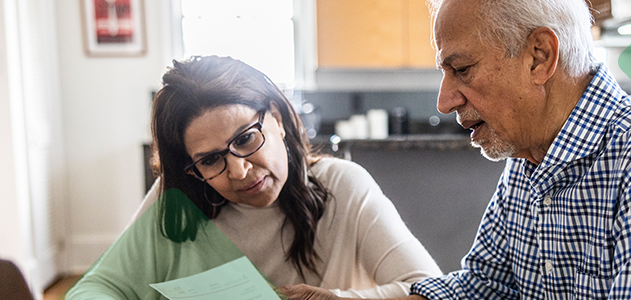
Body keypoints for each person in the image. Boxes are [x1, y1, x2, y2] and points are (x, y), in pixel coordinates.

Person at [281, 0, 631, 299]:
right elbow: (483, 289)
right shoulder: (530, 157)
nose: (445, 99)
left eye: (462, 69)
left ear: (539, 56)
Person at [66, 56, 442, 299]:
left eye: (246, 139)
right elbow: (99, 287)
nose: (239, 170)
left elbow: (430, 288)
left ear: (277, 118)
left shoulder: (342, 185)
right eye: (211, 160)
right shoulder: (180, 201)